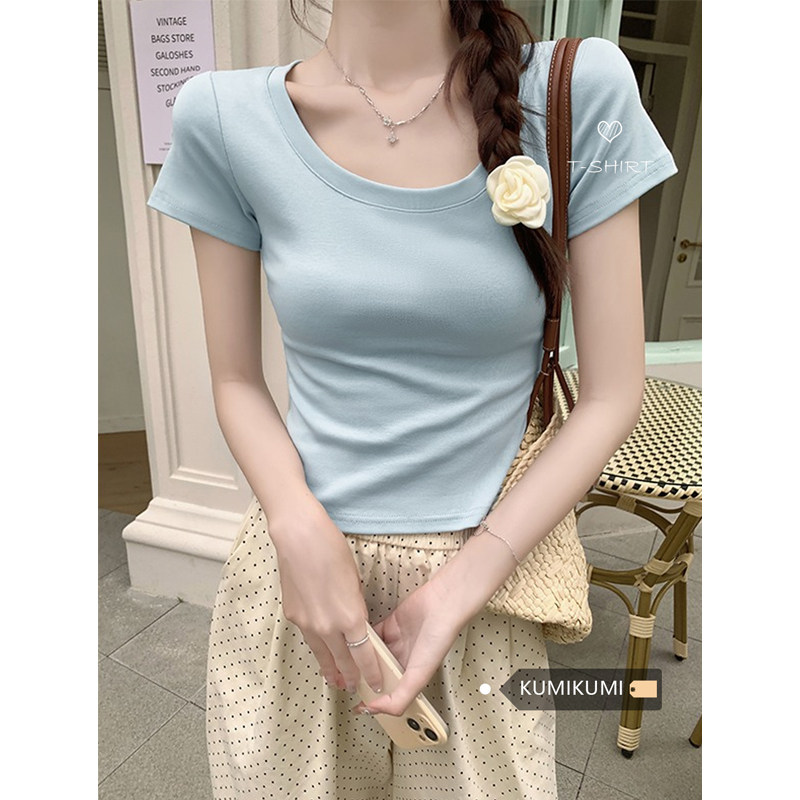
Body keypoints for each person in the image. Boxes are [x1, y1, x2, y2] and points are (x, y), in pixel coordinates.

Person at [146, 1, 678, 797]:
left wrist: (466, 583)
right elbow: (235, 380)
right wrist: (294, 523)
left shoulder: (576, 90)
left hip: (486, 600)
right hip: (301, 592)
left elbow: (611, 394)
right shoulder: (223, 117)